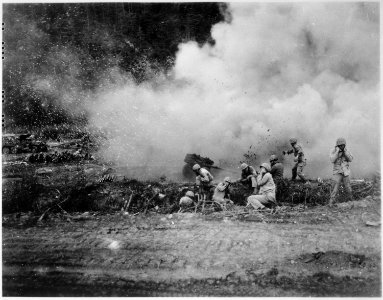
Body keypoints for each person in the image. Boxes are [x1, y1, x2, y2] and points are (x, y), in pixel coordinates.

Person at [329, 137, 353, 206]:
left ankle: (351, 202)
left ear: (345, 145)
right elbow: (332, 160)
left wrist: (345, 152)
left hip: (345, 172)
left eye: (343, 145)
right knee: (335, 188)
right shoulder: (333, 150)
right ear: (337, 145)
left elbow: (351, 159)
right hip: (337, 172)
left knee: (348, 188)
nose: (341, 146)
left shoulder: (347, 150)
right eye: (340, 145)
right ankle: (331, 203)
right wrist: (337, 152)